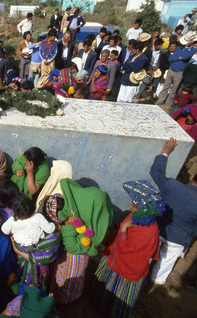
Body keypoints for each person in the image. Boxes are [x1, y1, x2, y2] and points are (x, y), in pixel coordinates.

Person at [92, 180, 165, 318]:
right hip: (117, 263)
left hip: (126, 270)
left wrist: (123, 228)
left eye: (135, 205)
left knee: (115, 301)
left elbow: (125, 250)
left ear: (144, 210)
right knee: (102, 293)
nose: (130, 206)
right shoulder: (137, 217)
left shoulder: (147, 232)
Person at [50, 178, 113, 305]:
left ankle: (63, 303)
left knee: (66, 284)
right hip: (79, 260)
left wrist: (68, 227)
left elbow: (72, 247)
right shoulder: (92, 226)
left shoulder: (74, 224)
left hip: (72, 261)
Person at [149, 138, 197, 285]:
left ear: (192, 176)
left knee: (147, 254)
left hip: (157, 228)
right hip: (178, 239)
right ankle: (154, 282)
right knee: (165, 264)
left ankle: (140, 274)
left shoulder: (173, 185)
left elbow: (156, 172)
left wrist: (165, 152)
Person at [10, 194, 62, 289]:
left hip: (33, 268)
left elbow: (38, 258)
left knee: (29, 286)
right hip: (37, 268)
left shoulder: (31, 218)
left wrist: (18, 251)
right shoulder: (53, 232)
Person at [157, 35, 197, 110]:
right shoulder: (179, 48)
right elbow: (171, 58)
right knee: (166, 86)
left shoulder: (192, 50)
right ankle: (160, 100)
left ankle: (168, 104)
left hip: (180, 72)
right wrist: (179, 58)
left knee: (174, 90)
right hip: (172, 69)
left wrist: (180, 57)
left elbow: (185, 56)